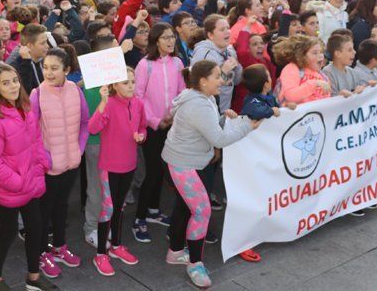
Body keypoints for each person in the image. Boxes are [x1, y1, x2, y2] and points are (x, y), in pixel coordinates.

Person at [162, 60, 261, 288]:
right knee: (201, 211)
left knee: (185, 207)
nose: (222, 80)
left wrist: (225, 118)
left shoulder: (203, 98)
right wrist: (248, 126)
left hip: (187, 161)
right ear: (203, 81)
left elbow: (209, 127)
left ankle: (175, 252)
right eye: (217, 76)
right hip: (183, 164)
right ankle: (195, 264)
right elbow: (218, 139)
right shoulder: (198, 104)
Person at [0, 64, 54, 291]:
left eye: (15, 80)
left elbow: (36, 141)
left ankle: (33, 277)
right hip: (11, 188)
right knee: (8, 233)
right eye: (5, 82)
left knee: (36, 228)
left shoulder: (26, 108)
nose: (13, 86)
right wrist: (17, 181)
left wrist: (42, 164)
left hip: (31, 181)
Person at [30, 48, 87, 277]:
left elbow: (84, 122)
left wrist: (80, 150)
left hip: (71, 163)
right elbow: (31, 132)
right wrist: (45, 158)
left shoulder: (75, 90)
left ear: (67, 70)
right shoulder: (37, 94)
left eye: (54, 68)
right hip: (47, 167)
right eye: (45, 68)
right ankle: (42, 252)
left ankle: (60, 247)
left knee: (62, 208)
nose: (49, 73)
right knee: (44, 211)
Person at [87, 68, 146, 277]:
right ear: (114, 86)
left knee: (120, 207)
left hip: (129, 164)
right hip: (109, 166)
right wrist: (102, 103)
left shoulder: (138, 102)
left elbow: (143, 126)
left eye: (132, 82)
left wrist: (141, 135)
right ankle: (101, 253)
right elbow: (93, 128)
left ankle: (117, 246)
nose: (130, 86)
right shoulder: (109, 104)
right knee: (108, 208)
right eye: (125, 82)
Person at [131, 23, 184, 243]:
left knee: (162, 171)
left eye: (172, 37)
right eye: (165, 38)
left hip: (171, 125)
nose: (170, 41)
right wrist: (154, 121)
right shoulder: (145, 65)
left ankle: (153, 211)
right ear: (155, 41)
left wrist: (173, 116)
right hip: (152, 127)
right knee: (151, 173)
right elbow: (138, 97)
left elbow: (182, 92)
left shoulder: (178, 62)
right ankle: (139, 219)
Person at [191, 15, 242, 113]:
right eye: (222, 29)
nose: (227, 31)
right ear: (210, 35)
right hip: (207, 110)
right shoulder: (204, 54)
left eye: (228, 28)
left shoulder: (229, 51)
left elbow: (236, 81)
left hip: (224, 109)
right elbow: (201, 86)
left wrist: (237, 66)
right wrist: (223, 71)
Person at [273, 35, 331, 104]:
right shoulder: (292, 69)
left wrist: (341, 97)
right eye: (315, 53)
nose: (320, 55)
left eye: (321, 52)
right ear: (302, 56)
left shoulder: (322, 76)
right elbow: (290, 96)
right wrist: (314, 83)